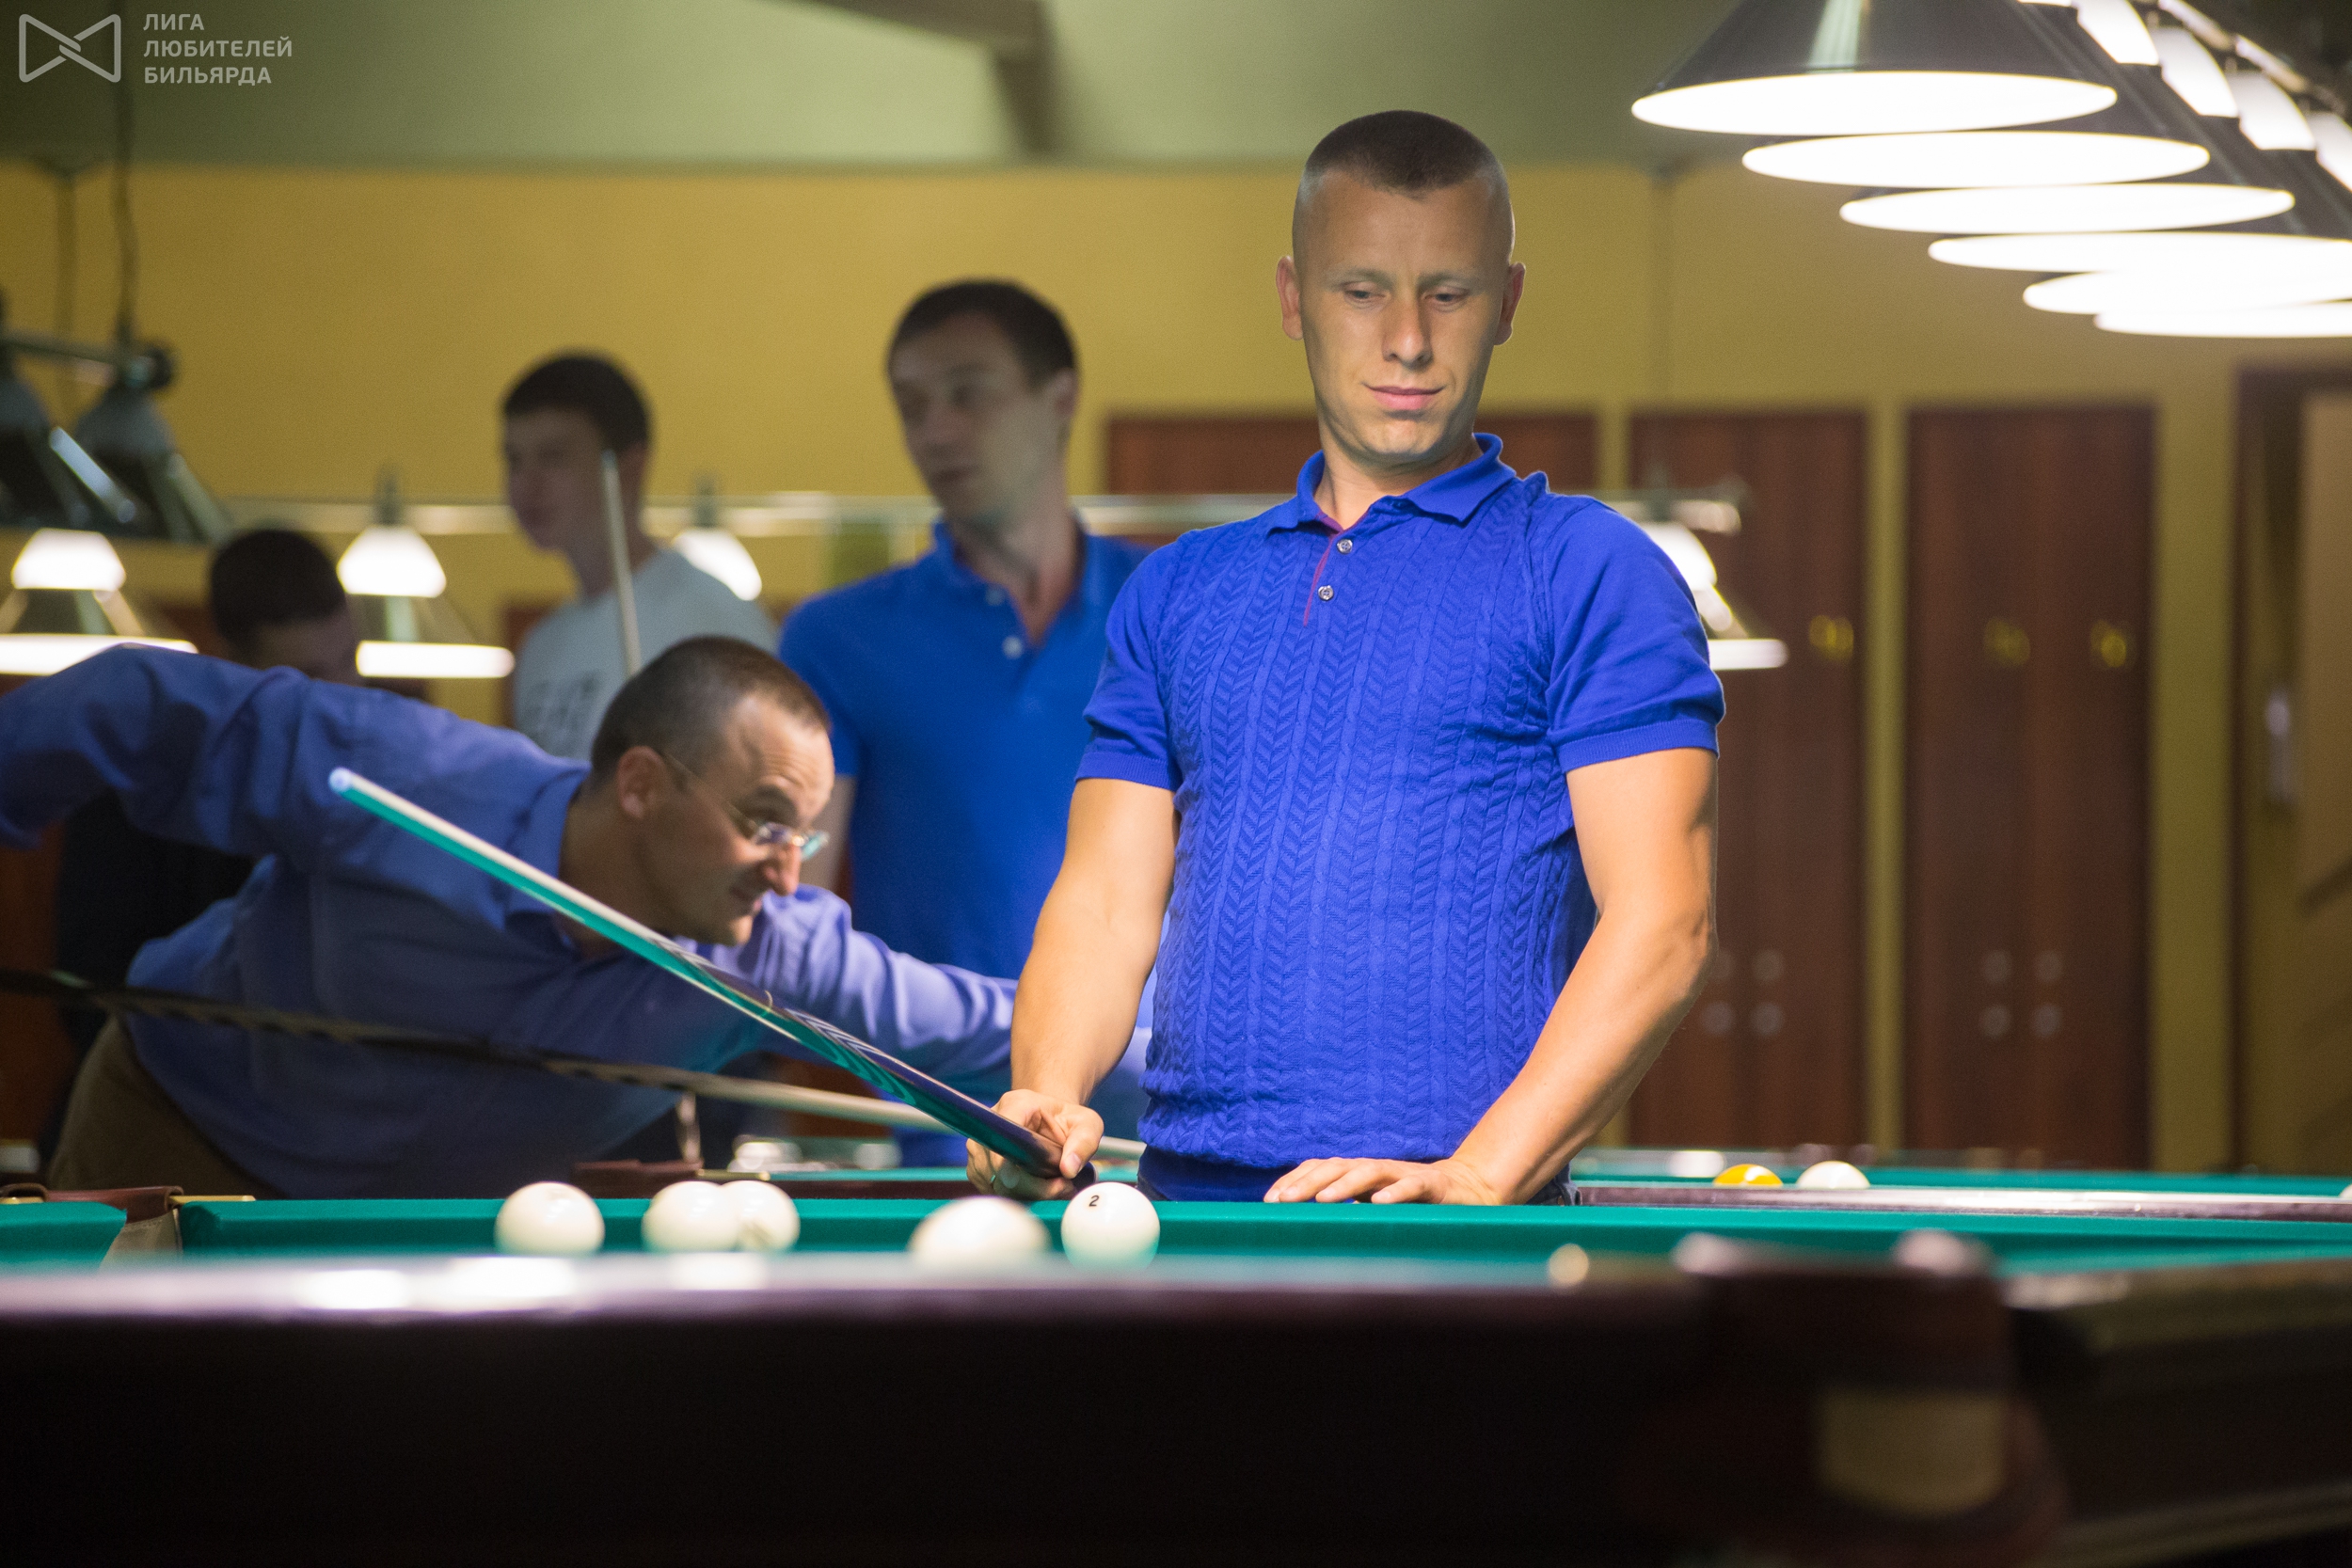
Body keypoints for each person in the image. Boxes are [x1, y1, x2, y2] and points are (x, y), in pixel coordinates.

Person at [972, 111, 1725, 1206]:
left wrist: (1480, 1173)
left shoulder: (1587, 569)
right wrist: (1044, 1090)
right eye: (1361, 290)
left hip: (1456, 1228)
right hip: (1181, 1219)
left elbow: (1665, 920)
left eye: (1448, 293)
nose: (1406, 340)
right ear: (1294, 298)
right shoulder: (1179, 589)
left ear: (1506, 301)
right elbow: (1101, 902)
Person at [5, 638, 1014, 1198]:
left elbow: (976, 1029)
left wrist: (1096, 1073)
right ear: (641, 783)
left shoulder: (766, 955)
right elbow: (142, 704)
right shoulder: (413, 775)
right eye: (765, 825)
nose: (789, 876)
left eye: (805, 833)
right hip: (178, 1137)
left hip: (422, 1235)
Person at [780, 281, 1150, 1162]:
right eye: (911, 406)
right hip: (957, 1143)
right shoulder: (836, 637)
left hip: (1179, 1138)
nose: (935, 431)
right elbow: (790, 907)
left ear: (1059, 398)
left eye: (968, 393)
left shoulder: (1170, 602)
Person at [40, 528, 361, 1167]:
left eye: (347, 665)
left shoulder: (368, 791)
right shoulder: (137, 793)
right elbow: (95, 994)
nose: (335, 701)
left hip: (315, 1150)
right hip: (149, 1131)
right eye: (303, 679)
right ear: (231, 668)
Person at [503, 353, 773, 760]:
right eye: (514, 460)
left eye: (554, 457)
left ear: (630, 468)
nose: (527, 484)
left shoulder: (714, 623)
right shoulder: (541, 645)